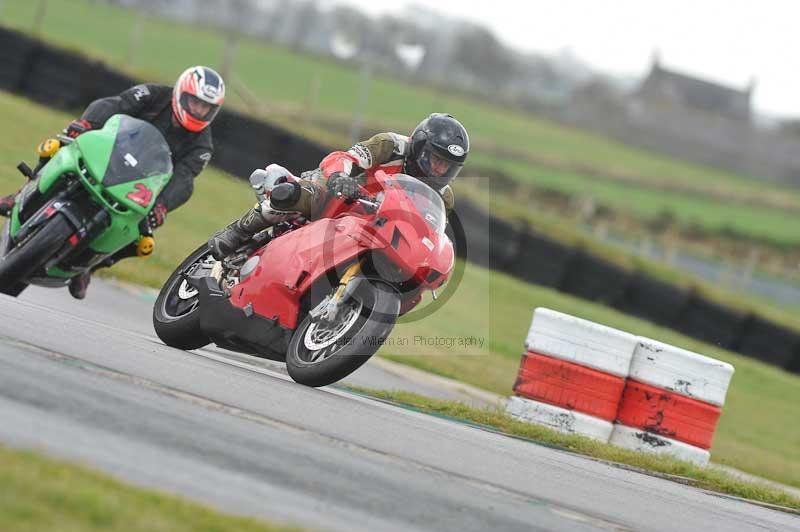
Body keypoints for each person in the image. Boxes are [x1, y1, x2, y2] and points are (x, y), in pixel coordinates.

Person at [0, 66, 225, 299]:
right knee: (59, 147)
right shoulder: (154, 94)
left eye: (206, 107)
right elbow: (114, 105)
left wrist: (162, 205)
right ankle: (20, 195)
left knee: (140, 234)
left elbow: (185, 179)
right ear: (181, 93)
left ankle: (90, 266)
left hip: (139, 185)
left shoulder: (202, 145)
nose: (198, 110)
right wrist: (87, 123)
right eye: (195, 102)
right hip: (109, 154)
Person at [208, 113, 469, 260]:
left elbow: (428, 232)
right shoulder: (390, 146)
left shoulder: (443, 197)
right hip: (342, 194)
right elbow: (346, 157)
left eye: (446, 166)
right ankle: (239, 231)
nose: (438, 170)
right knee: (299, 195)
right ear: (420, 146)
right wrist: (338, 178)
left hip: (376, 227)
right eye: (435, 160)